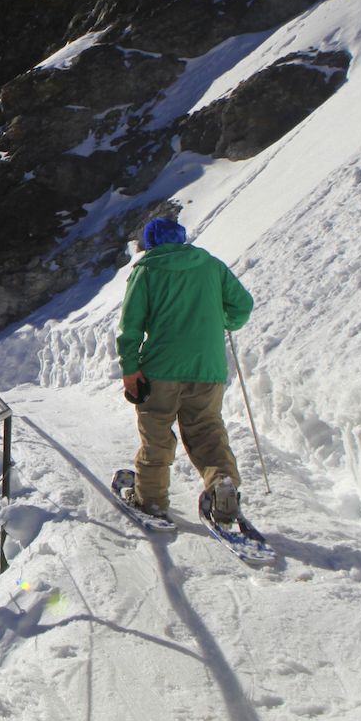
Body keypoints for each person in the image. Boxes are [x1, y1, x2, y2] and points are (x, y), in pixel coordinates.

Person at [116, 217, 254, 524]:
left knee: (157, 435)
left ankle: (150, 500)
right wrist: (225, 322)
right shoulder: (212, 266)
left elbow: (131, 325)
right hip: (208, 368)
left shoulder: (147, 270)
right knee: (207, 431)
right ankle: (222, 485)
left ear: (149, 243)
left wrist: (129, 368)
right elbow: (242, 306)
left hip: (161, 369)